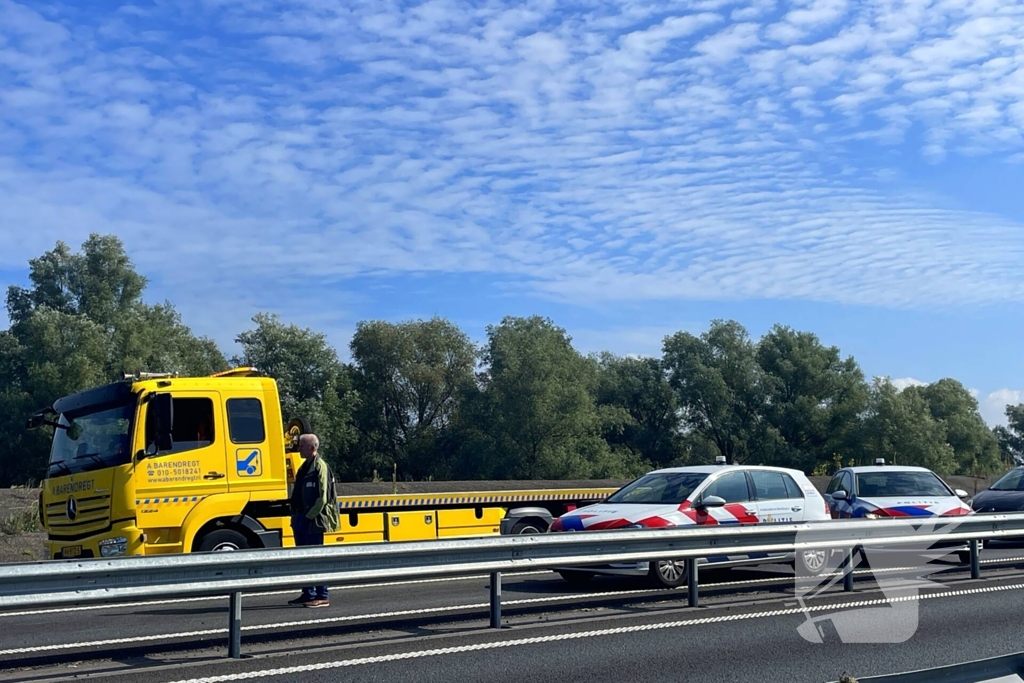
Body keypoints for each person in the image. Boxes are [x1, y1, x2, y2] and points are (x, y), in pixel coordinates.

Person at [287, 433, 340, 607]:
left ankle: (322, 595)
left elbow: (322, 498)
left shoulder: (320, 467)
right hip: (301, 518)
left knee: (316, 558)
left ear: (312, 448)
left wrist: (308, 516)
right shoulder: (304, 467)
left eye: (301, 446)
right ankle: (308, 593)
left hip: (313, 520)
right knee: (303, 558)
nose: (299, 448)